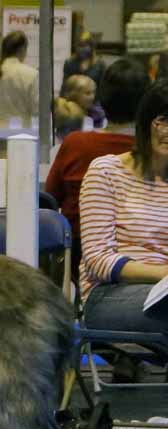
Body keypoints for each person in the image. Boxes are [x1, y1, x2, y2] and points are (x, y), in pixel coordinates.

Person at [79, 79, 168, 342]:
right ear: (145, 122)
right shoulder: (105, 171)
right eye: (162, 119)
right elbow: (97, 259)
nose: (166, 130)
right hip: (109, 293)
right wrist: (163, 274)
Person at [46, 58, 149, 280]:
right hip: (147, 255)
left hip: (77, 254)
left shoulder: (76, 143)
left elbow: (51, 199)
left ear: (101, 97)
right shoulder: (153, 151)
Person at [61, 32, 106, 99]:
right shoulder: (69, 63)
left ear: (91, 47)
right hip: (73, 103)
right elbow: (65, 87)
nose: (81, 49)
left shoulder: (100, 64)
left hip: (94, 103)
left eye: (84, 46)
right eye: (79, 45)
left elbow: (103, 89)